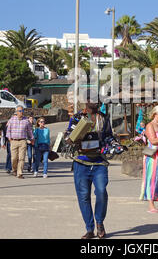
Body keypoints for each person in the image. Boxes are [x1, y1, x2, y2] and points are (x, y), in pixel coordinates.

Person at [66, 102, 114, 239]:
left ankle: (99, 222)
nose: (93, 102)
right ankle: (89, 228)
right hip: (81, 162)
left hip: (99, 162)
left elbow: (108, 136)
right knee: (84, 196)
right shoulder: (77, 118)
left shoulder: (103, 118)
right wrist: (73, 137)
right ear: (85, 103)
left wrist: (115, 145)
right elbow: (68, 137)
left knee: (101, 192)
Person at [6, 105, 35, 179]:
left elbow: (29, 131)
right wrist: (10, 139)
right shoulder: (12, 120)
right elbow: (8, 130)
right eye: (20, 111)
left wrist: (32, 138)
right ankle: (14, 169)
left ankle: (20, 173)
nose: (21, 112)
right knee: (14, 158)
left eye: (22, 111)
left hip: (22, 141)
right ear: (16, 112)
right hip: (14, 141)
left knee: (21, 158)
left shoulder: (26, 120)